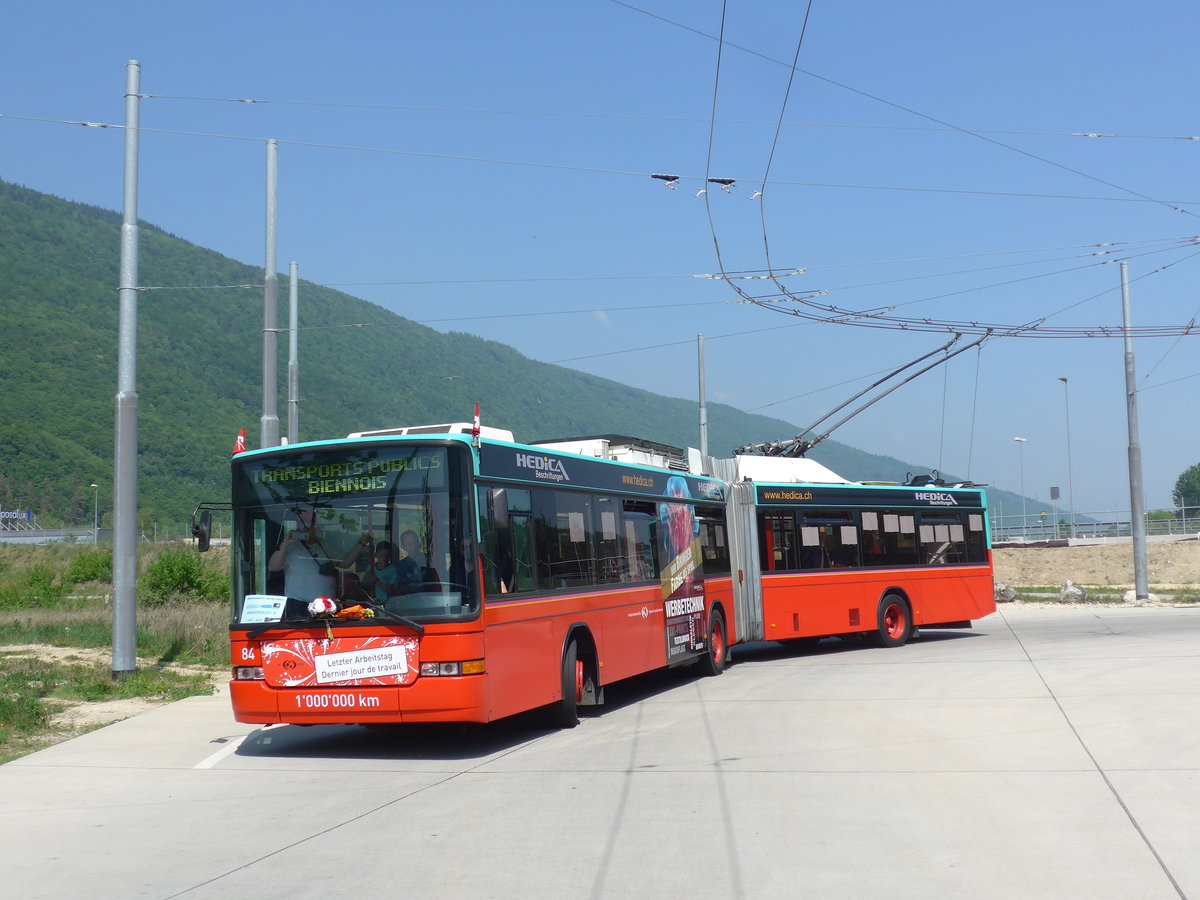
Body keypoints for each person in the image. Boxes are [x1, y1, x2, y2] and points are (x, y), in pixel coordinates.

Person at [267, 509, 336, 600]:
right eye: (301, 524)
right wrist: (284, 543)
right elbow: (273, 567)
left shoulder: (325, 545)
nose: (304, 528)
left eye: (307, 525)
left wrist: (361, 543)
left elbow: (345, 563)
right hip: (297, 604)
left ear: (315, 527)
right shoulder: (291, 547)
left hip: (326, 605)